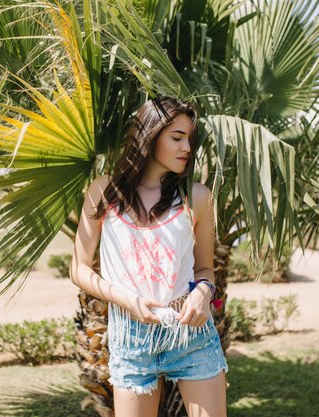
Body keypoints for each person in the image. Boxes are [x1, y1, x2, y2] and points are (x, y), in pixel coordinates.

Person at [70, 96, 228, 417]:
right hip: (131, 338)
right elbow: (79, 268)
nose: (187, 148)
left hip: (191, 335)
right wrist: (127, 300)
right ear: (150, 136)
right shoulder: (104, 192)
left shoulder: (197, 197)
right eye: (177, 137)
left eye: (190, 139)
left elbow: (205, 269)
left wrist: (202, 292)